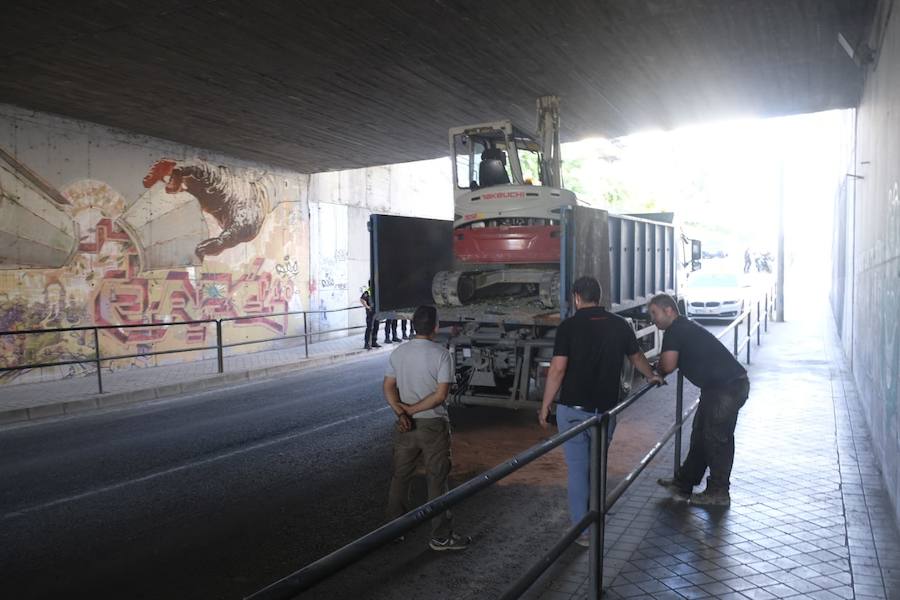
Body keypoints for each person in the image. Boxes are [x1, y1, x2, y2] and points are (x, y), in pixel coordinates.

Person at [539, 276, 662, 543]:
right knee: (597, 467)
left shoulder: (568, 327)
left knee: (577, 470)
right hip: (605, 411)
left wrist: (546, 403)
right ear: (600, 296)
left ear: (576, 298)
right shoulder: (619, 325)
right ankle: (597, 519)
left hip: (572, 409)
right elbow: (637, 357)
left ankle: (582, 531)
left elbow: (558, 369)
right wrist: (652, 375)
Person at [648, 293, 750, 507]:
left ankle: (718, 493)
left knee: (716, 440)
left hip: (725, 388)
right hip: (722, 387)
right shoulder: (684, 326)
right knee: (701, 436)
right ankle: (683, 483)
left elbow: (667, 365)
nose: (652, 319)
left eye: (654, 313)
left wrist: (655, 372)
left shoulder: (675, 330)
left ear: (669, 311)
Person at [384, 305, 470, 551]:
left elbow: (388, 386)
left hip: (405, 426)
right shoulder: (441, 354)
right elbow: (440, 396)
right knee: (437, 479)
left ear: (413, 326)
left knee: (401, 476)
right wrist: (410, 410)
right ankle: (440, 537)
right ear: (435, 326)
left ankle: (394, 530)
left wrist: (401, 412)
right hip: (433, 424)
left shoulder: (399, 353)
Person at [360, 282, 380, 350]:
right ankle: (367, 344)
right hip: (370, 313)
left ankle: (374, 342)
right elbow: (362, 299)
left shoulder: (377, 291)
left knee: (376, 327)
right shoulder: (368, 291)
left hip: (376, 313)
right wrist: (367, 307)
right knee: (369, 328)